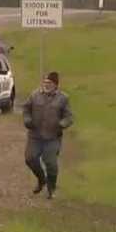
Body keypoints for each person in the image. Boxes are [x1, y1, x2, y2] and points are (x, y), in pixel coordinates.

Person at [22, 71, 74, 199]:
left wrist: (62, 124)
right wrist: (27, 120)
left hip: (53, 137)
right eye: (45, 82)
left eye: (49, 83)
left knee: (51, 163)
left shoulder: (63, 98)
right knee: (30, 158)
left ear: (56, 85)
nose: (47, 85)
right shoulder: (35, 95)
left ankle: (51, 188)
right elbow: (26, 109)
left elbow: (69, 117)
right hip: (35, 135)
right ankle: (41, 180)